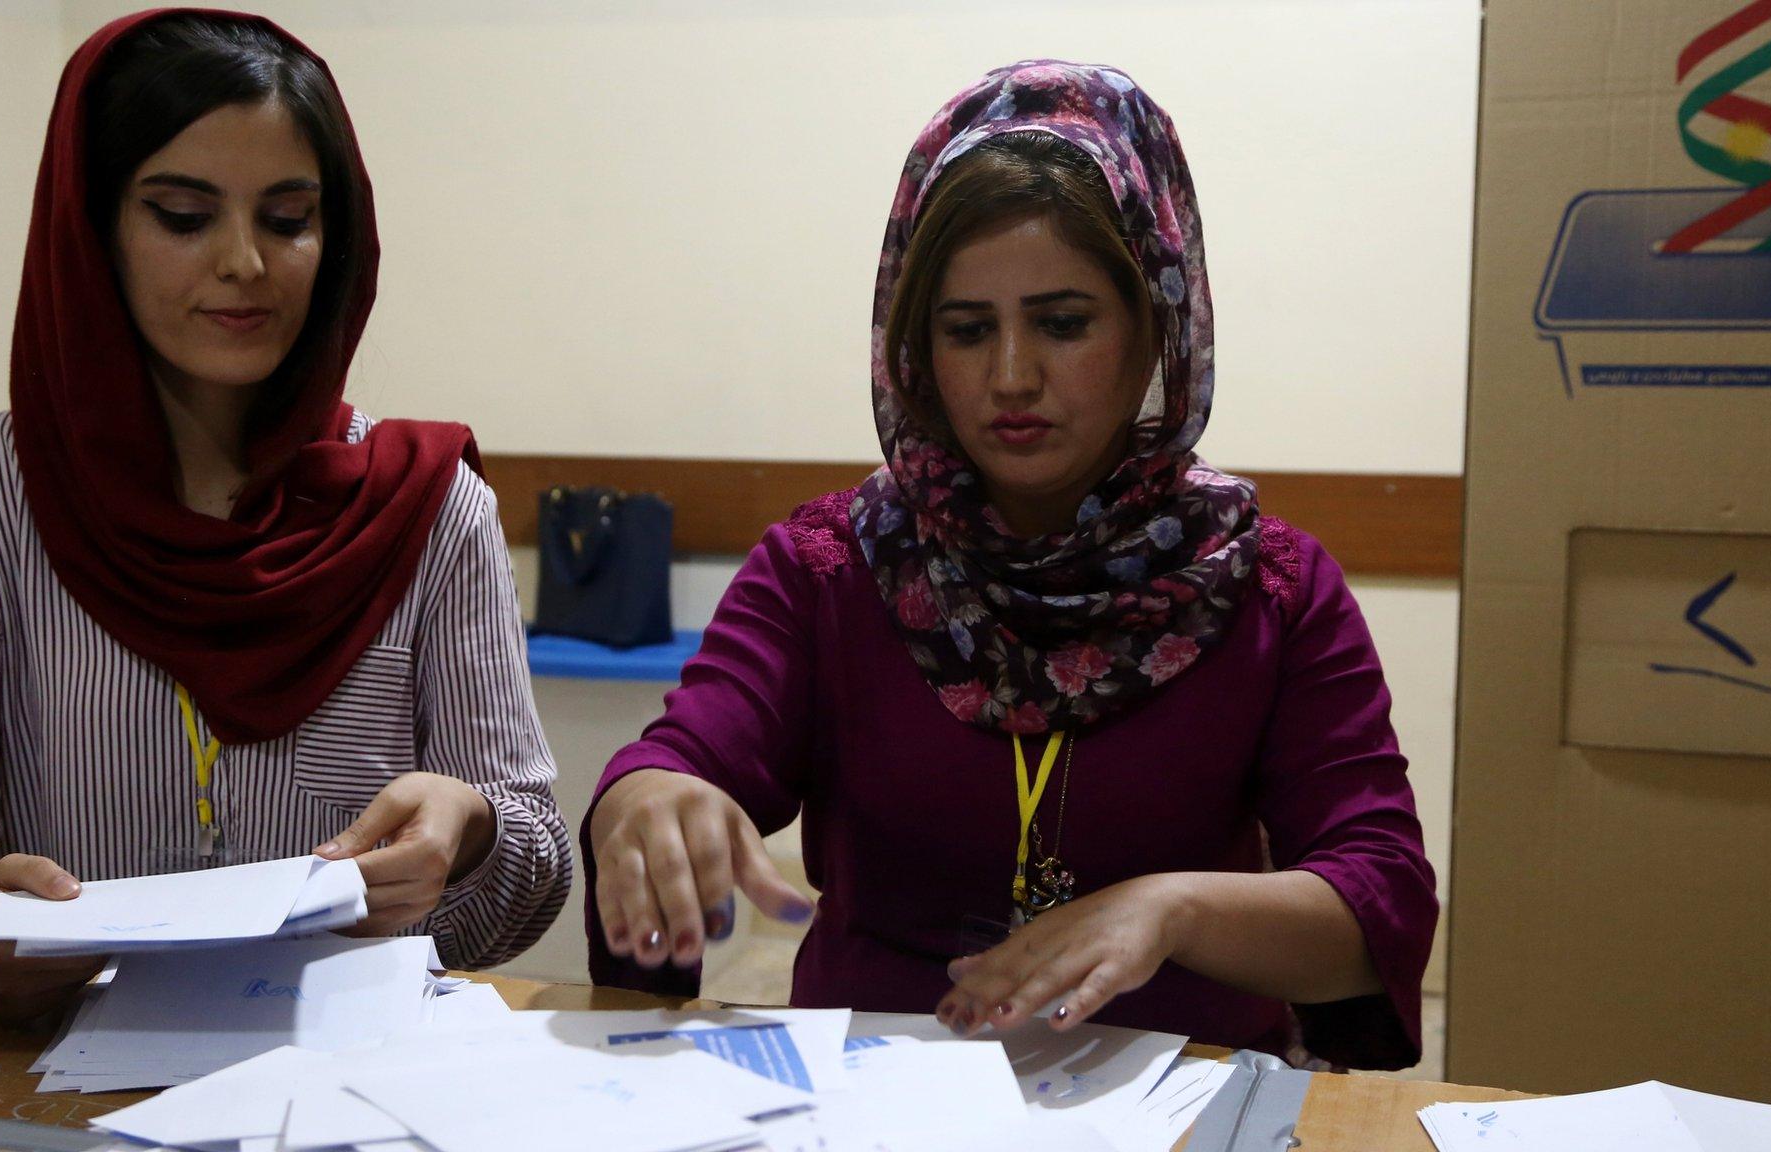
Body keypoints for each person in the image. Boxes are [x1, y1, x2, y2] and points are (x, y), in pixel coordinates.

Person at [586, 61, 1436, 1068]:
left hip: (1178, 1101)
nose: (1010, 377)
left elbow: (1378, 896)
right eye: (965, 330)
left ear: (1154, 327)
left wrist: (1169, 911)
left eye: (1062, 323)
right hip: (870, 1103)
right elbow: (689, 751)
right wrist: (644, 798)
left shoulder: (1268, 587)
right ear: (913, 350)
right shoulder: (828, 568)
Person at [0, 9, 571, 1028]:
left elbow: (529, 875)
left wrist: (472, 835)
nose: (243, 262)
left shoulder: (424, 504)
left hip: (350, 1081)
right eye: (184, 216)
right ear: (91, 226)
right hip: (65, 1083)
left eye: (287, 219)